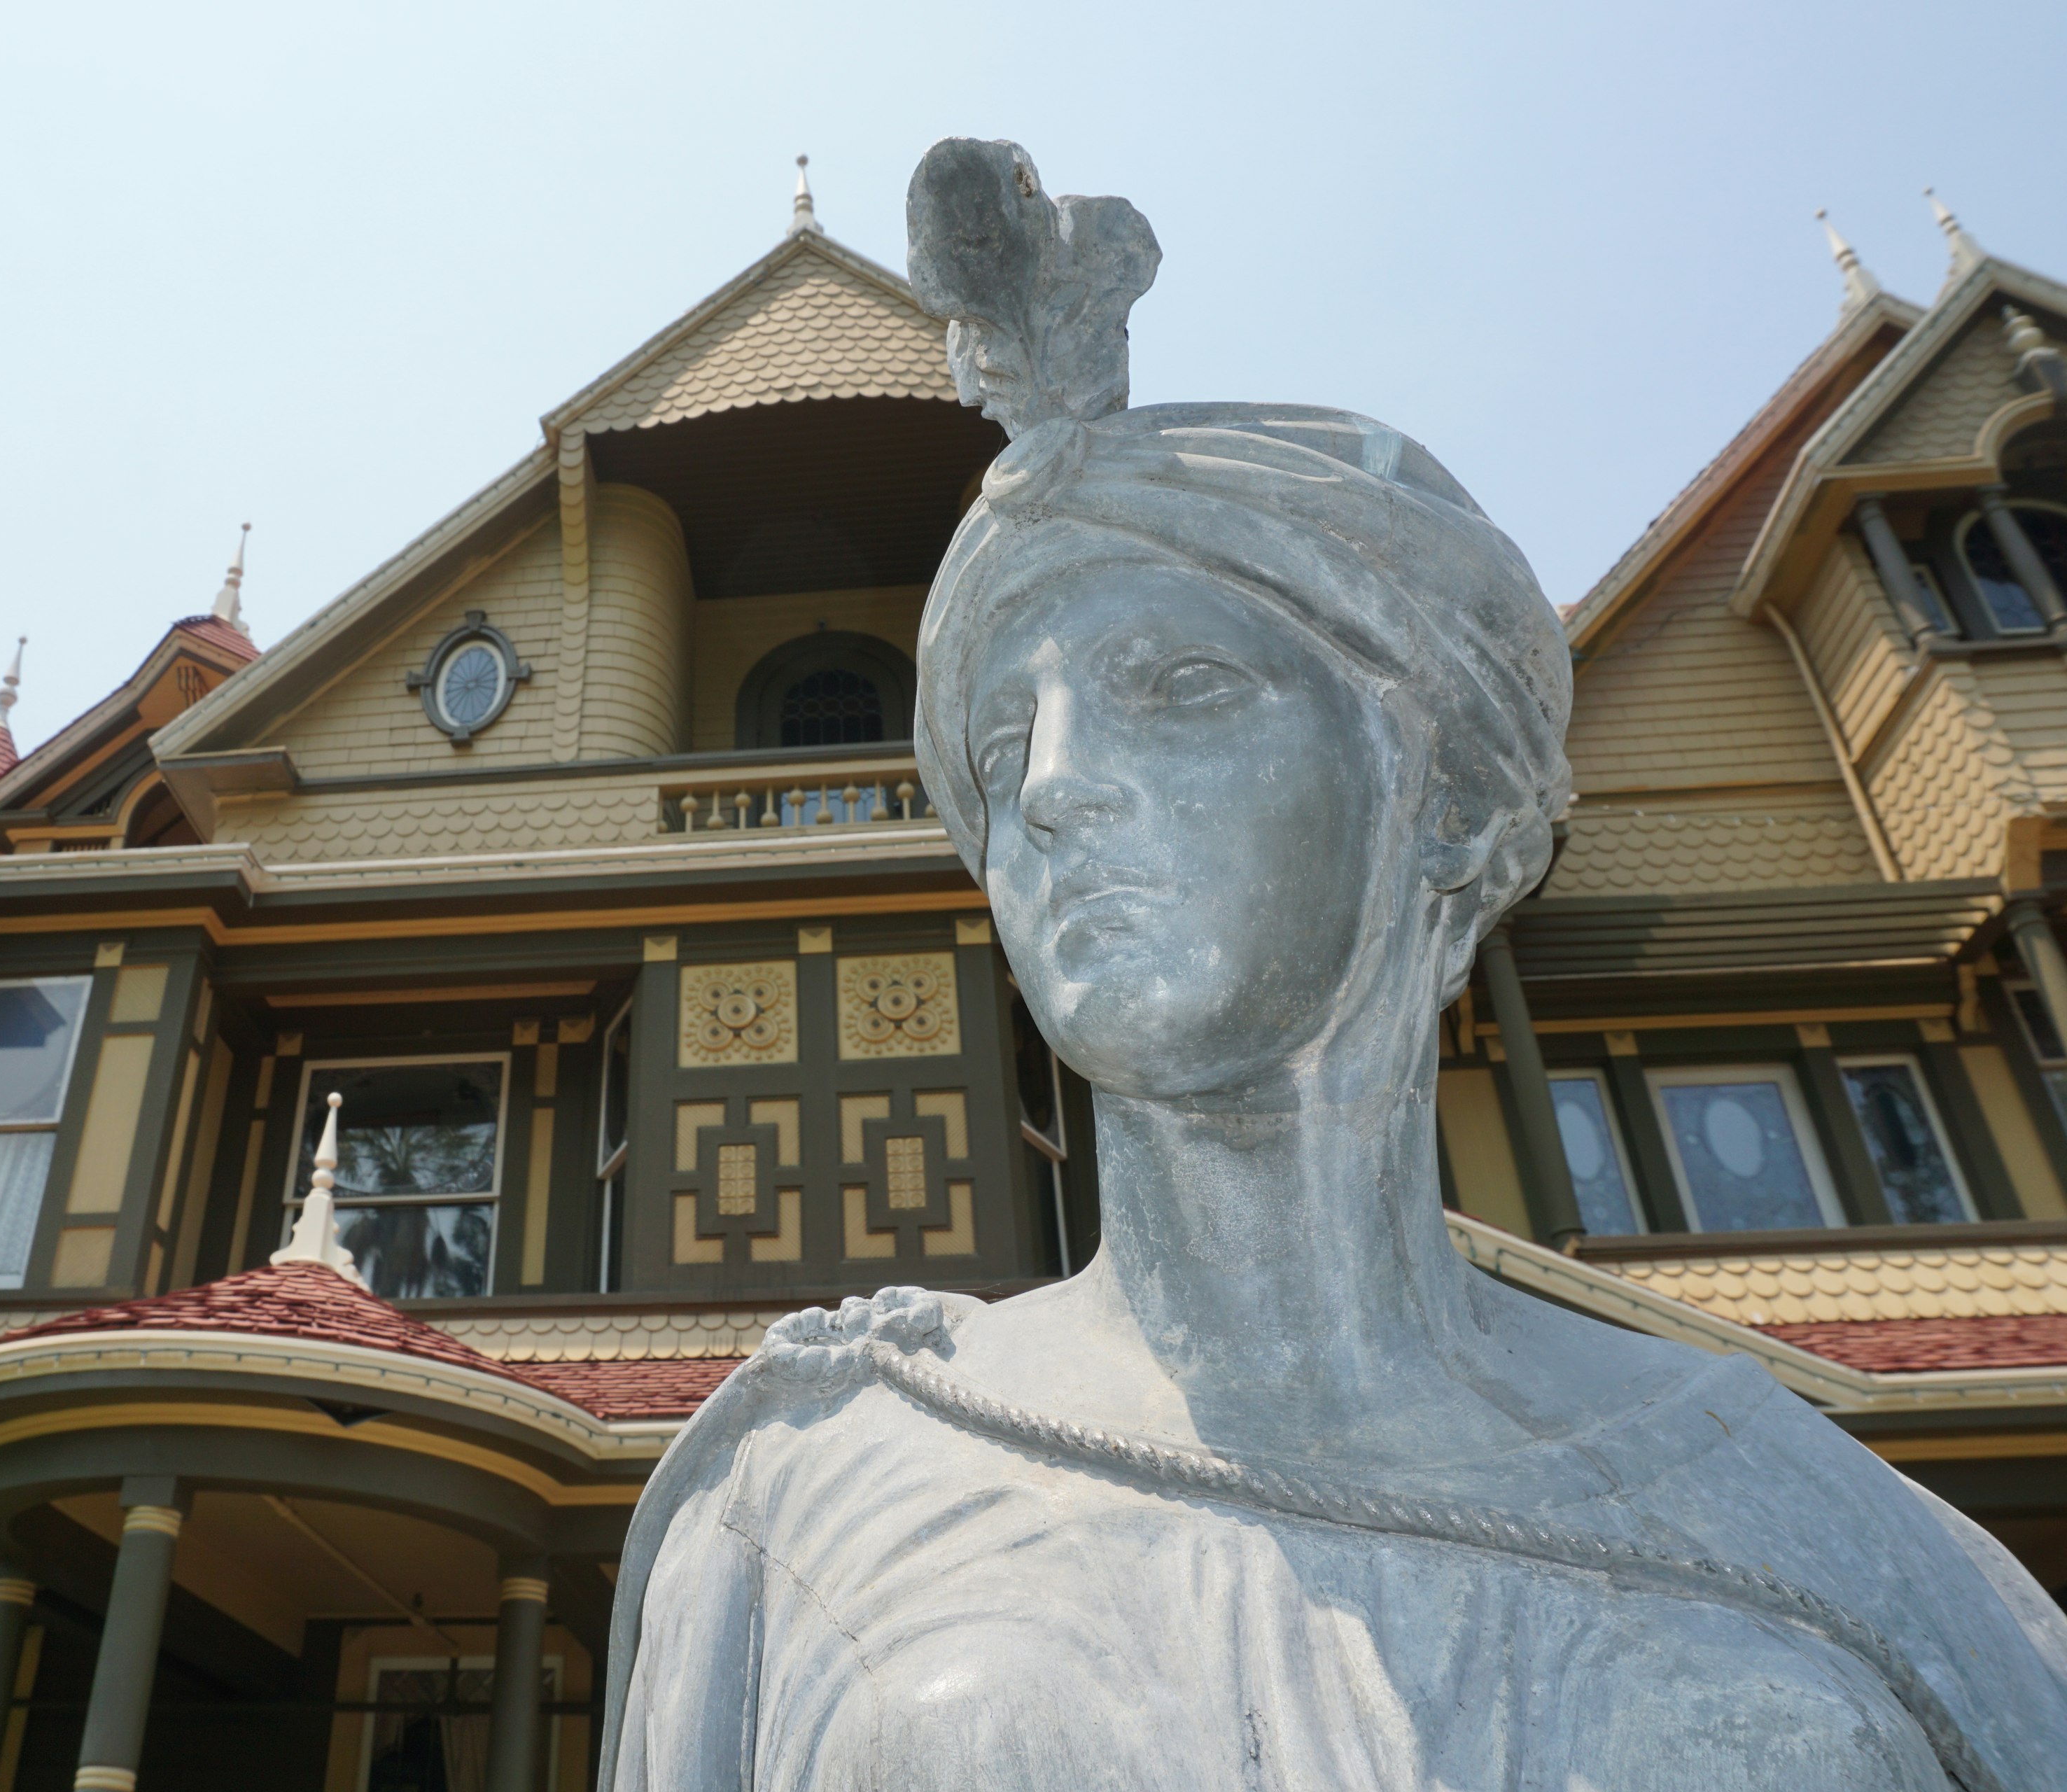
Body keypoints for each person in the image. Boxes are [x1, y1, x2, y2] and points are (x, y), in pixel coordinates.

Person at [596, 141, 2067, 1791]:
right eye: (1002, 746)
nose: (1058, 783)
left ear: (1442, 797)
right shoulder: (802, 1490)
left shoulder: (1824, 1524)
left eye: (1185, 682)